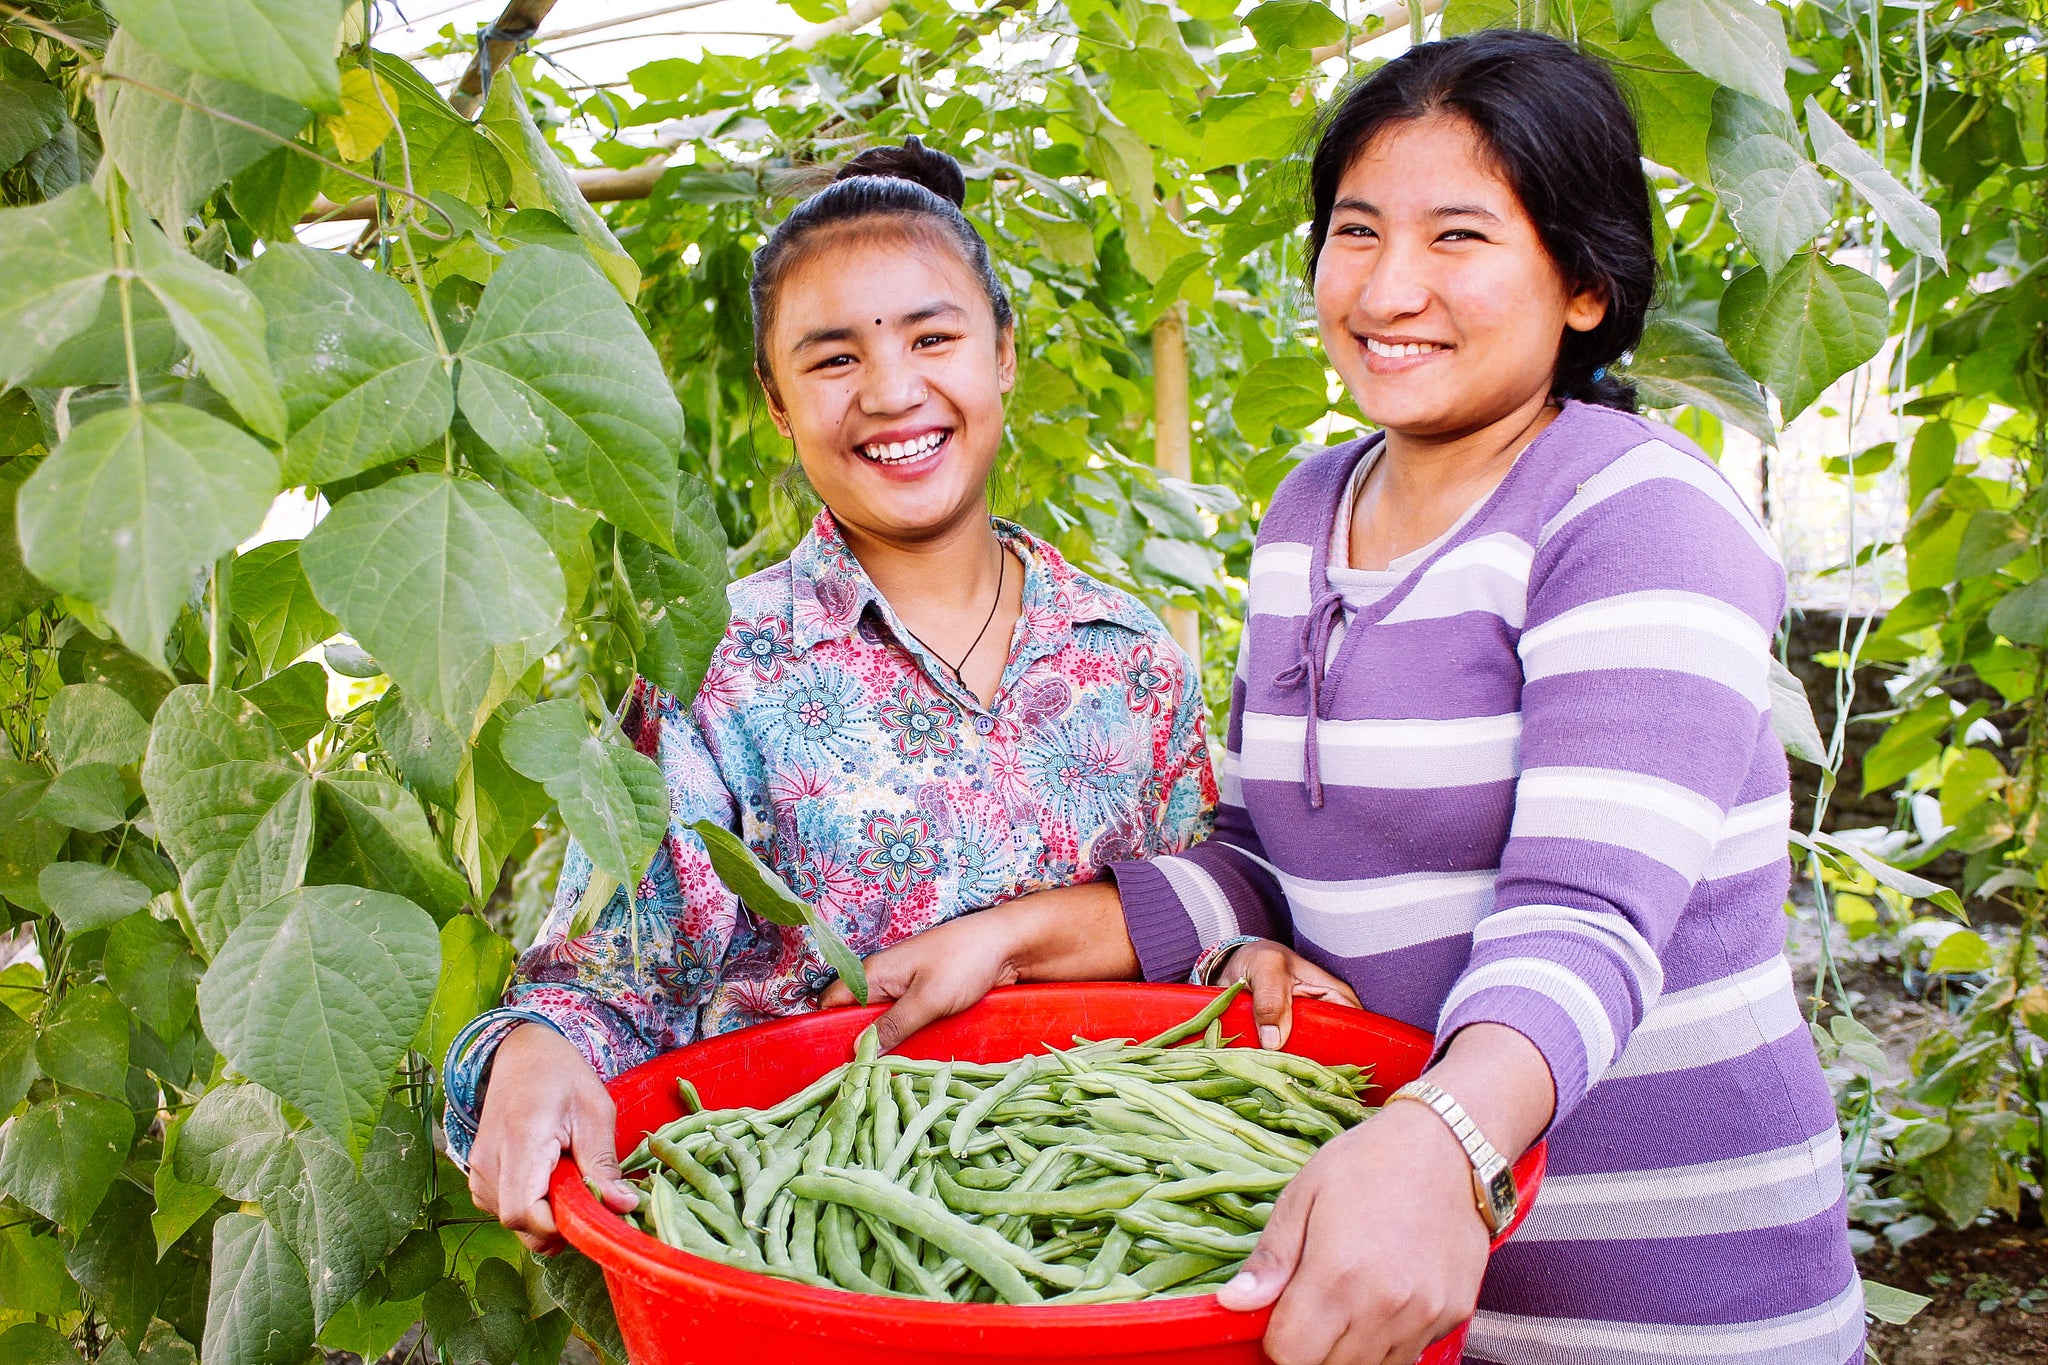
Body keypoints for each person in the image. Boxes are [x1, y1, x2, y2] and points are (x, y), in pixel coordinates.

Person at [834, 33, 1862, 1365]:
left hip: (1662, 1299)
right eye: (1357, 230)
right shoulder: (1312, 508)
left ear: (1585, 284)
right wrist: (1025, 939)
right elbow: (1270, 856)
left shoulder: (1636, 512)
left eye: (1457, 237)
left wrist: (1443, 1138)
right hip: (1375, 1277)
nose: (1386, 287)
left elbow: (1589, 914)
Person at [447, 138, 1217, 1254]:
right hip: (807, 1247)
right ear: (775, 401)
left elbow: (1201, 921)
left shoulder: (1129, 656)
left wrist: (1228, 950)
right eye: (833, 358)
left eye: (932, 339)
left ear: (1003, 354)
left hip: (1112, 1237)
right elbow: (607, 983)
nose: (892, 392)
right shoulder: (716, 665)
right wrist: (533, 1052)